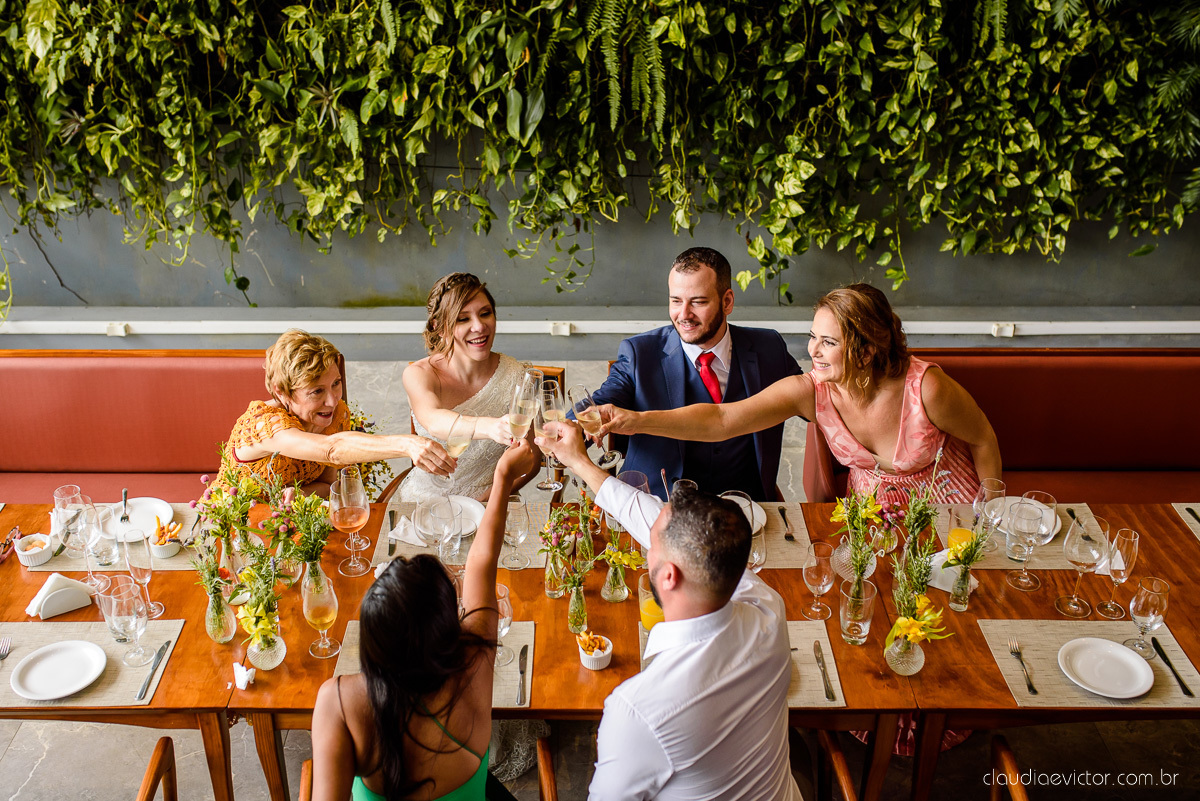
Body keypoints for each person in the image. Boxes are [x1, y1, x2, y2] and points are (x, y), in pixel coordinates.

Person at [536, 421, 803, 801]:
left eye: (651, 547)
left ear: (668, 576)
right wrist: (579, 461)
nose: (647, 547)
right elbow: (650, 517)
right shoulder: (767, 607)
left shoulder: (638, 712)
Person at [597, 283, 1001, 505]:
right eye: (812, 337)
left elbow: (983, 437)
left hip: (951, 505)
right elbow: (721, 420)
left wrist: (992, 511)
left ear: (866, 350)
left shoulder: (926, 388)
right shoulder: (810, 392)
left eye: (829, 342)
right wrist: (637, 421)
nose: (812, 352)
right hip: (870, 513)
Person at [311, 441, 536, 801]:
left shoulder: (339, 700)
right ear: (449, 625)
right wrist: (503, 476)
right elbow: (482, 561)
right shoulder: (475, 662)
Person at [588, 247, 802, 501]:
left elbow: (817, 398)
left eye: (698, 302)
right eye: (676, 301)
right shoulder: (640, 353)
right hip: (658, 507)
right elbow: (601, 399)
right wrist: (573, 424)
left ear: (727, 301)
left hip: (748, 509)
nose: (684, 315)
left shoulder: (769, 347)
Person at [213, 329, 454, 498]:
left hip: (288, 526)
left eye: (336, 383)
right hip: (233, 522)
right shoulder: (264, 426)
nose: (333, 400)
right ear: (281, 391)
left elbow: (328, 484)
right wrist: (408, 444)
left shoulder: (335, 416)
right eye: (316, 391)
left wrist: (300, 493)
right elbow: (331, 449)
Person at [399, 272, 539, 503]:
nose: (479, 326)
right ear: (439, 328)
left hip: (491, 501)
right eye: (463, 319)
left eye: (486, 314)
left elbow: (532, 460)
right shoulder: (419, 375)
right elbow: (434, 420)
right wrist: (491, 427)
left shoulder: (517, 375)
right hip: (425, 503)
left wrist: (488, 500)